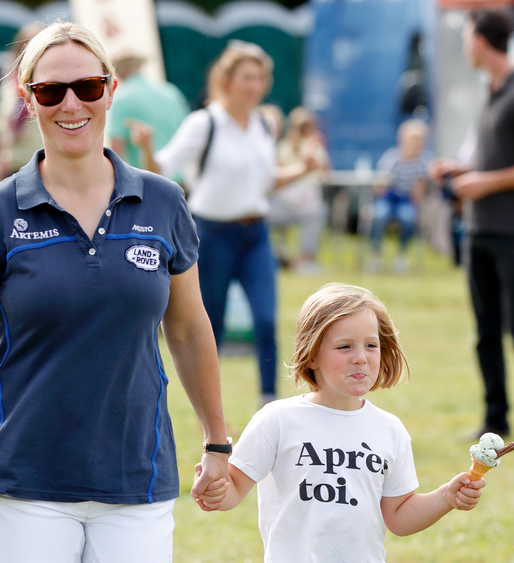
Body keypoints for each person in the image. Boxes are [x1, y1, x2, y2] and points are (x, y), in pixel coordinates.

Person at [0, 22, 229, 562]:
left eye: (88, 87)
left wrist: (217, 440)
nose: (71, 104)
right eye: (51, 91)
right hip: (23, 479)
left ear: (111, 89)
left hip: (136, 475)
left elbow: (190, 330)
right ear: (29, 100)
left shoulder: (164, 203)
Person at [198, 283, 486, 562]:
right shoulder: (277, 420)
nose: (360, 358)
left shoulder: (390, 430)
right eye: (345, 346)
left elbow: (399, 516)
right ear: (311, 356)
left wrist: (446, 497)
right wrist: (214, 489)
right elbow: (232, 490)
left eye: (371, 345)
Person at [136, 41, 317, 405]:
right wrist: (147, 147)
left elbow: (264, 181)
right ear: (227, 80)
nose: (254, 85)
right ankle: (209, 406)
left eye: (260, 78)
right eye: (246, 77)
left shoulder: (263, 125)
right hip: (212, 235)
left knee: (266, 321)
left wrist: (304, 170)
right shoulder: (205, 123)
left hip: (256, 234)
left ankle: (269, 401)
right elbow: (163, 169)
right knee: (209, 326)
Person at [429, 10, 514, 442]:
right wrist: (461, 168)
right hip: (481, 231)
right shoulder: (493, 91)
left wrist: (486, 182)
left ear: (483, 42)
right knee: (485, 332)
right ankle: (495, 419)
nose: (466, 48)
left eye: (468, 40)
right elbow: (497, 158)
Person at [268, 106, 331, 273]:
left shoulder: (314, 146)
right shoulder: (284, 147)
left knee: (315, 212)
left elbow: (322, 172)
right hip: (284, 203)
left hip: (306, 204)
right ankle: (277, 257)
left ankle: (304, 259)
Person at [106, 50, 190, 172]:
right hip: (179, 182)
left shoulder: (120, 99)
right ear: (140, 66)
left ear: (117, 71)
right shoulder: (171, 92)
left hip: (145, 184)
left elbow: (117, 153)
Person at [367, 118, 431, 273]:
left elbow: (419, 189)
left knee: (408, 218)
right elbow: (380, 183)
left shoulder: (423, 161)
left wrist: (419, 210)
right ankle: (376, 255)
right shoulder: (392, 158)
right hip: (388, 197)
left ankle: (401, 255)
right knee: (379, 216)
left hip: (406, 200)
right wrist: (373, 201)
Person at [0, 22, 43, 181]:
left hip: (39, 164)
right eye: (24, 46)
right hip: (11, 166)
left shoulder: (49, 85)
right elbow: (0, 127)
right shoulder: (9, 85)